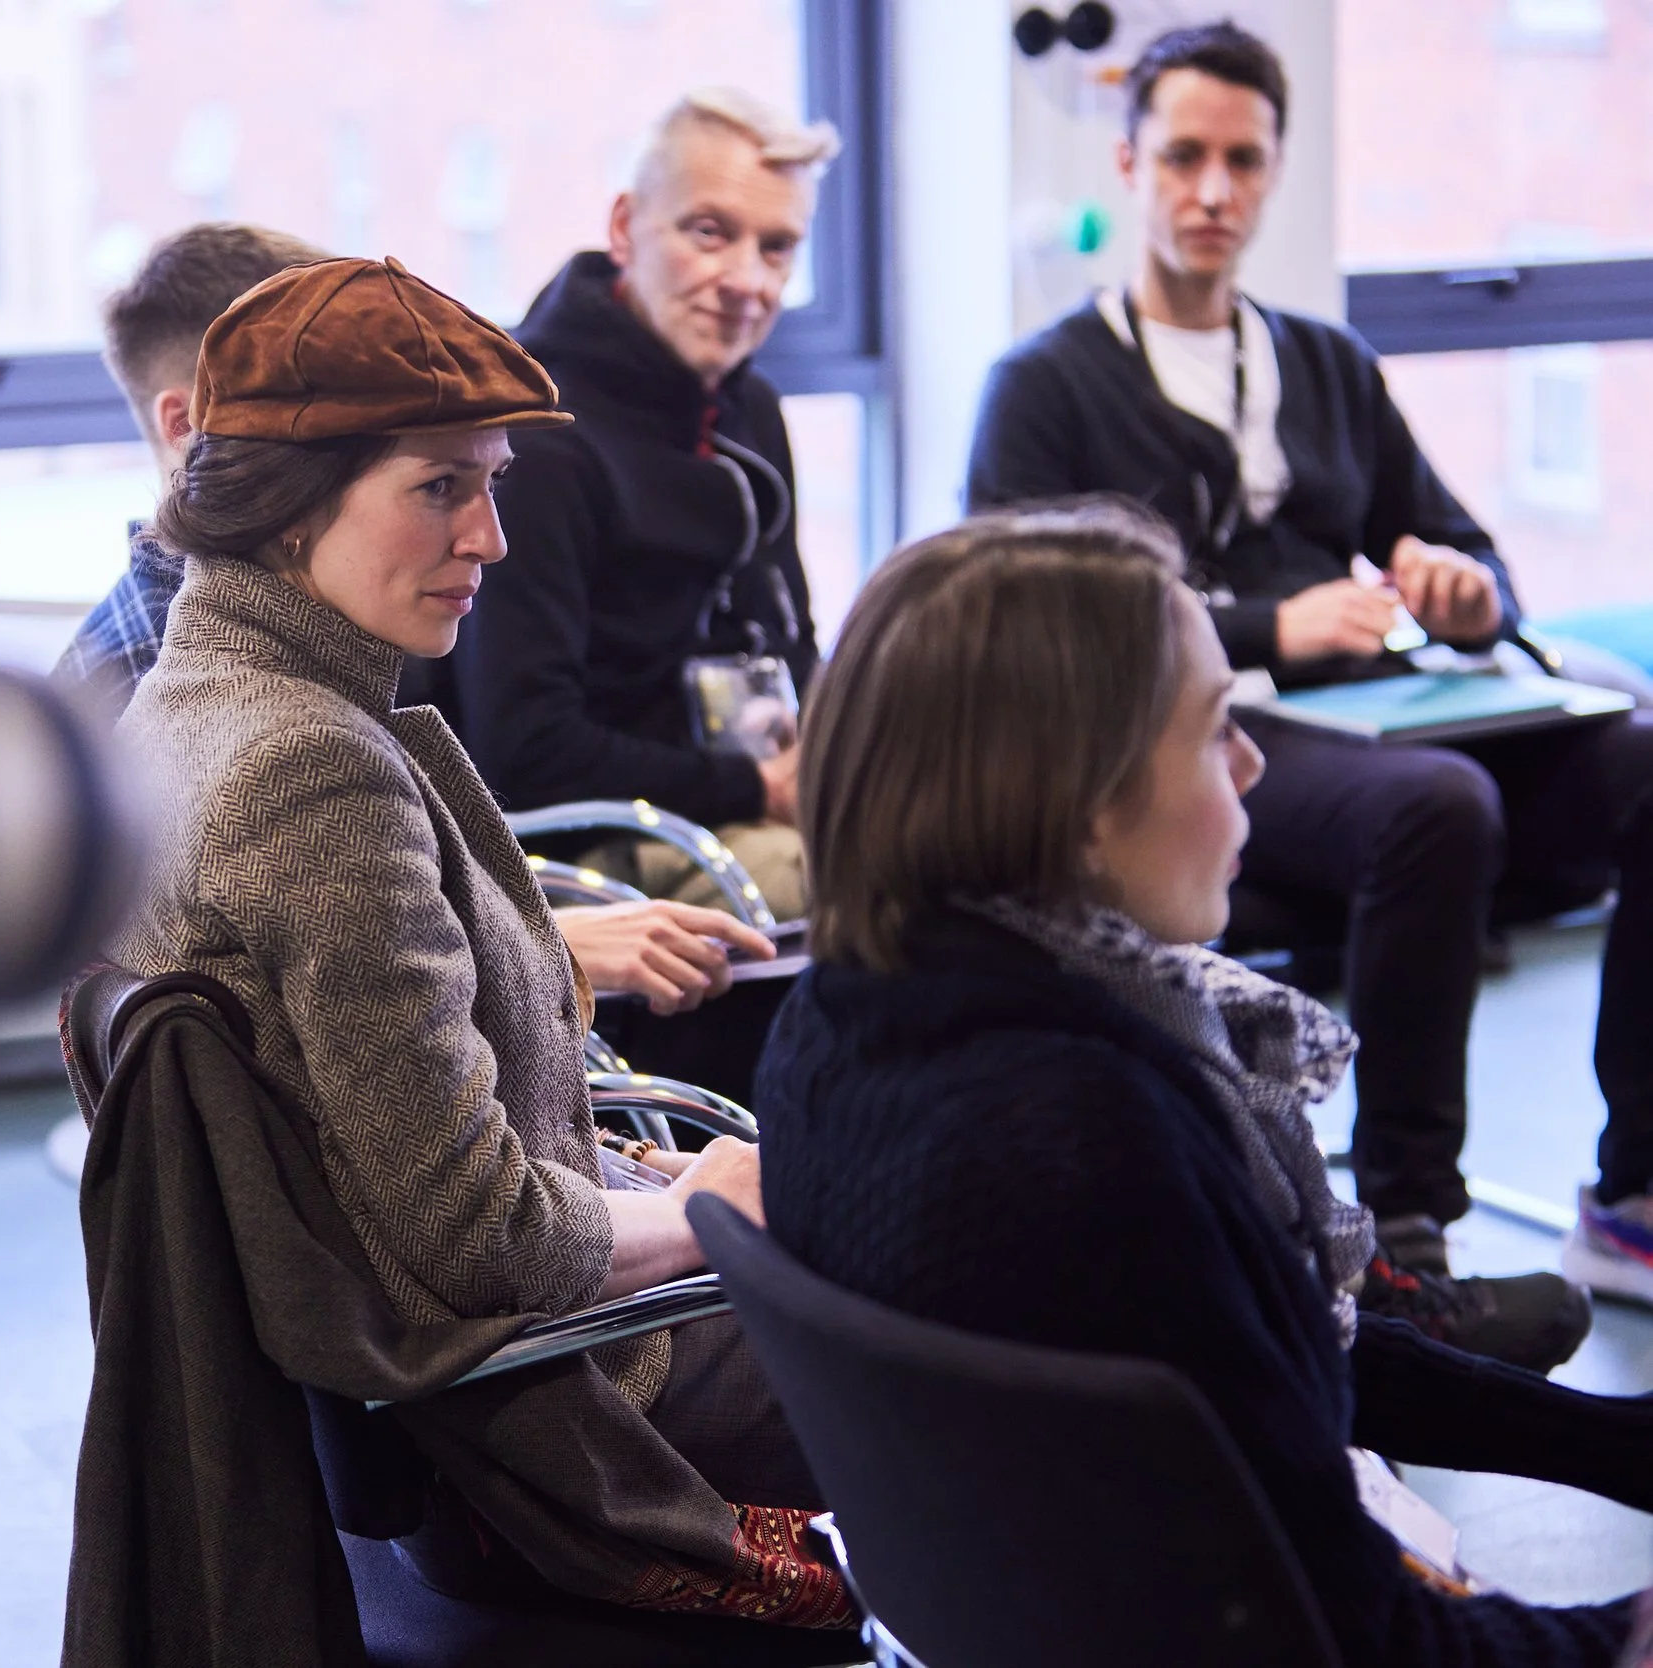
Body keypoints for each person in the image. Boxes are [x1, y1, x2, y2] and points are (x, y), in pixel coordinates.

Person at [758, 502, 1651, 1668]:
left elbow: (1258, 1356)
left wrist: (1614, 1442)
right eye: (1217, 727)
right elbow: (1361, 1635)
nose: (1253, 763)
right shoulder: (1084, 1131)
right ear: (1084, 802)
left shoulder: (833, 1029)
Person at [110, 253, 850, 1624]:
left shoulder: (192, 703)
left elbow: (357, 1067)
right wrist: (705, 1211)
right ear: (286, 508)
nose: (490, 537)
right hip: (547, 1405)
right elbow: (481, 1240)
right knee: (1025, 1315)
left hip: (458, 1369)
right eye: (440, 487)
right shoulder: (307, 771)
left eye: (493, 481)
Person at [963, 20, 1653, 1311]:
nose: (1214, 191)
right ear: (1127, 161)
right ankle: (1404, 1229)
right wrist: (1277, 629)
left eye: (1243, 160)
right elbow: (1025, 637)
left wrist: (1464, 593)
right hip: (1193, 755)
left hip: (1393, 722)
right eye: (1183, 157)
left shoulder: (1328, 366)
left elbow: (1471, 553)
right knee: (1441, 809)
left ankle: (1632, 1195)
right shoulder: (1042, 389)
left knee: (1642, 766)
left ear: (1274, 169)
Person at [54, 221, 774, 1021]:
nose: (490, 540)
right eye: (437, 485)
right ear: (209, 432)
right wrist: (551, 952)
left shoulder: (270, 647)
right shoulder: (259, 728)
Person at [449, 89, 838, 919]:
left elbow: (792, 641)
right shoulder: (536, 434)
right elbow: (523, 749)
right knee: (875, 884)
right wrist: (754, 787)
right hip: (591, 839)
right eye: (709, 233)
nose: (746, 281)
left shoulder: (752, 407)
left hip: (744, 795)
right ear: (625, 226)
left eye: (777, 249)